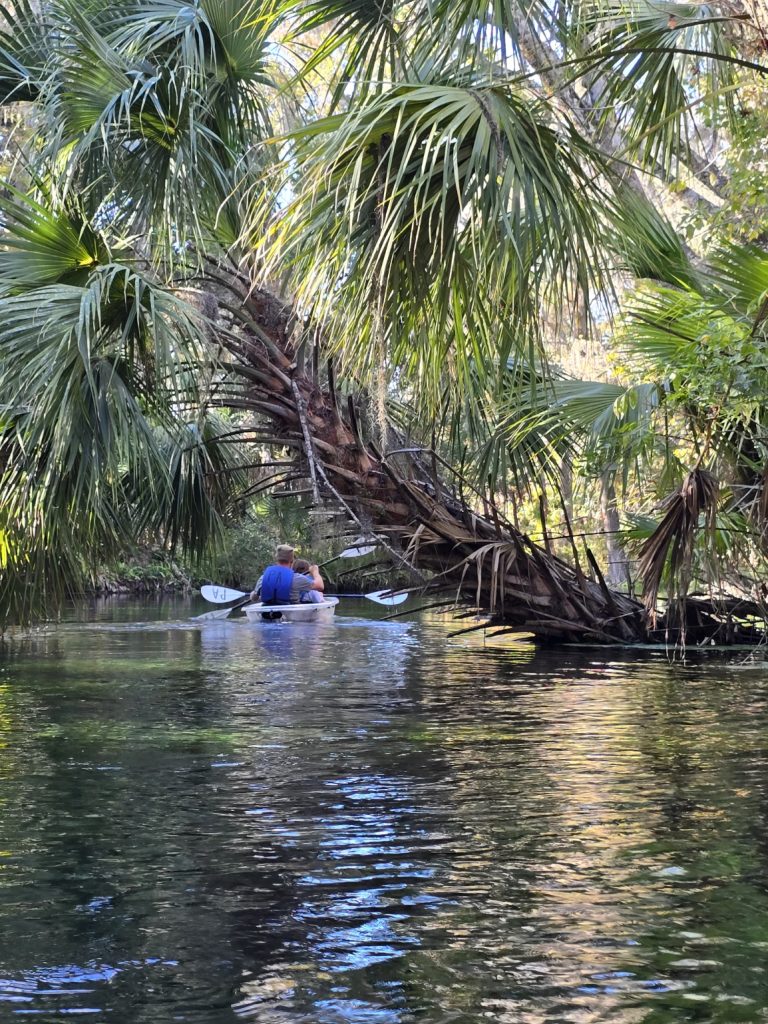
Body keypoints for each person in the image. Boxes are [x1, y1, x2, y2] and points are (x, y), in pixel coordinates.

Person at [251, 544, 325, 605]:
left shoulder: (263, 578)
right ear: (292, 561)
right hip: (292, 617)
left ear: (277, 559)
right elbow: (320, 586)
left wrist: (254, 593)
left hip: (268, 615)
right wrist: (315, 571)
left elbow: (254, 598)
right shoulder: (297, 579)